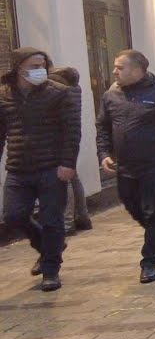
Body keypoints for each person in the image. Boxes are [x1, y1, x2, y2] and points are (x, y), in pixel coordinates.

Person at [97, 50, 155, 284]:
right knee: (133, 207)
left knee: (154, 213)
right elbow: (103, 127)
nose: (115, 71)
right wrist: (105, 153)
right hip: (125, 167)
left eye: (120, 67)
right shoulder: (111, 96)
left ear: (138, 70)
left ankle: (148, 262)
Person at [1, 48, 80, 292]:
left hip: (51, 167)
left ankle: (50, 270)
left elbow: (71, 131)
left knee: (52, 219)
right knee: (13, 215)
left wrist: (68, 164)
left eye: (43, 65)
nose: (40, 70)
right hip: (18, 168)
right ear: (18, 67)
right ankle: (47, 247)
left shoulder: (58, 93)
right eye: (34, 65)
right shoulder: (4, 95)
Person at [47, 66, 92, 236]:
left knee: (64, 179)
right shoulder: (75, 88)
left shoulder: (58, 90)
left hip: (56, 139)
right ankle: (83, 216)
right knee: (73, 176)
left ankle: (67, 222)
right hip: (69, 137)